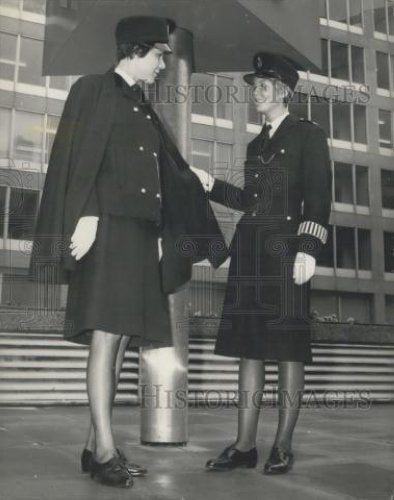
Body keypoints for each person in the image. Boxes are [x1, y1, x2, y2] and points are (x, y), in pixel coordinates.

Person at [29, 16, 225, 488]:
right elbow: (75, 157)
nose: (163, 65)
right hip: (107, 232)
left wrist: (174, 212)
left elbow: (160, 173)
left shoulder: (139, 106)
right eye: (159, 55)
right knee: (105, 336)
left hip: (138, 236)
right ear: (136, 50)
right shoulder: (92, 89)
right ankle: (105, 451)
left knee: (118, 344)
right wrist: (88, 213)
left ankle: (94, 445)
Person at [191, 52, 332, 474]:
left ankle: (283, 445)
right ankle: (245, 445)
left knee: (288, 352)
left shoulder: (308, 135)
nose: (257, 90)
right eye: (255, 84)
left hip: (288, 255)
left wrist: (309, 248)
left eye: (264, 84)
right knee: (248, 351)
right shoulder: (256, 144)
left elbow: (319, 196)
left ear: (285, 90)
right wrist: (212, 186)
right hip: (251, 255)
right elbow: (253, 203)